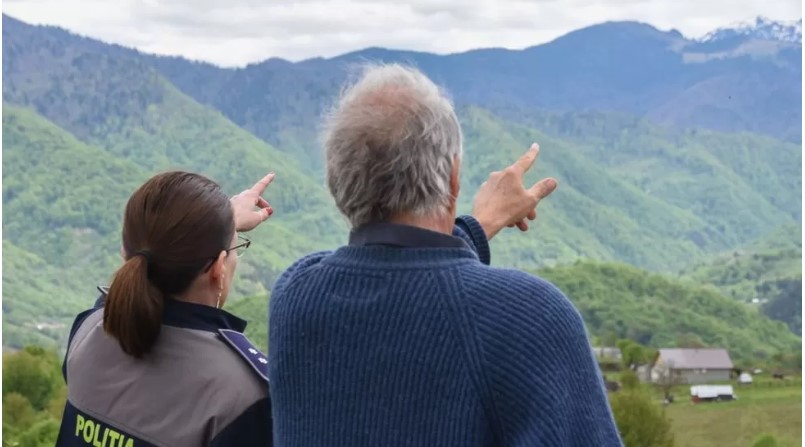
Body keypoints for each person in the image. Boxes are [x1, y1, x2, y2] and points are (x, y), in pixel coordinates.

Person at [268, 64, 623, 446]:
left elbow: (409, 275)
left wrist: (479, 224)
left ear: (336, 180)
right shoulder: (532, 317)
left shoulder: (295, 296)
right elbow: (438, 290)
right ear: (453, 177)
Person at [55, 171, 276, 447]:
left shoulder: (89, 331)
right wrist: (220, 226)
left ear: (125, 252)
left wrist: (220, 224)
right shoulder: (244, 393)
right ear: (219, 267)